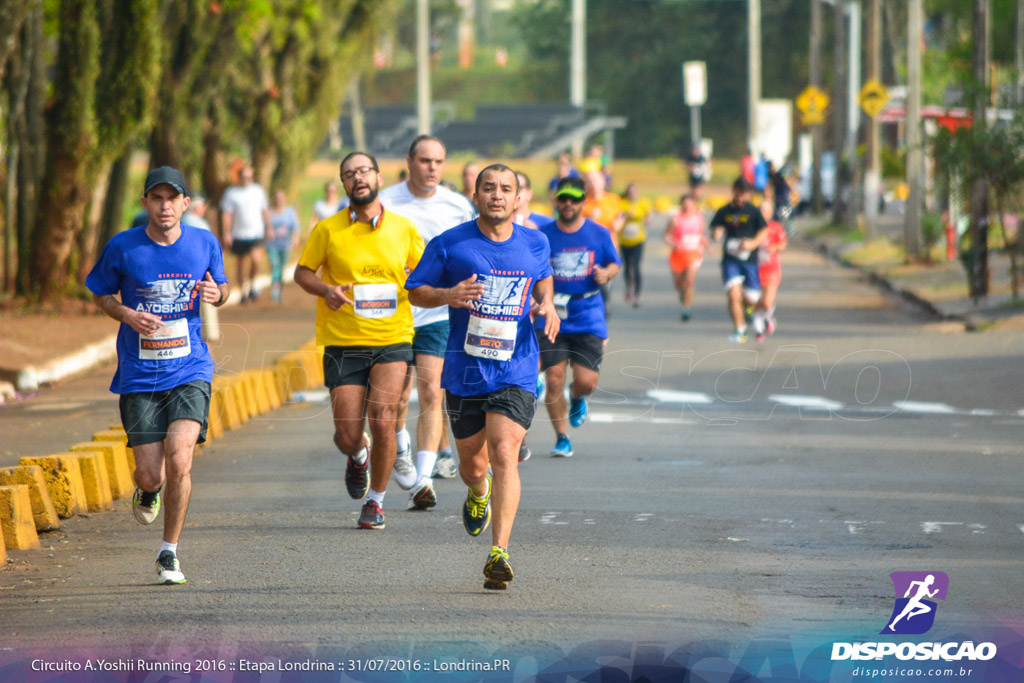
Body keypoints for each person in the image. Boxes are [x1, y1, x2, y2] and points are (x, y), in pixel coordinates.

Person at [406, 163, 559, 590]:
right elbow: (415, 287)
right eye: (488, 188)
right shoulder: (451, 244)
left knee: (505, 451)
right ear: (476, 196)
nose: (497, 195)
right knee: (473, 466)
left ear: (518, 199)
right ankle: (478, 493)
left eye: (505, 189)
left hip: (517, 366)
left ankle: (500, 551)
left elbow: (543, 278)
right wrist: (448, 295)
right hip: (466, 370)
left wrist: (547, 304)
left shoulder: (535, 242)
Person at [86, 166, 230, 585]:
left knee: (180, 459)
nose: (165, 206)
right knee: (152, 473)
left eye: (173, 198)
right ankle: (147, 489)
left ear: (186, 204)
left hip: (190, 368)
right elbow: (100, 293)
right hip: (139, 373)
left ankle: (169, 552)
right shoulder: (123, 247)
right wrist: (126, 314)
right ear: (146, 202)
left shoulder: (204, 242)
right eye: (157, 198)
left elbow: (223, 288)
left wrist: (217, 294)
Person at [294, 152, 425, 530]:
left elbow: (427, 272)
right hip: (343, 340)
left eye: (364, 171)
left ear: (379, 177)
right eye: (349, 174)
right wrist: (326, 290)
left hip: (392, 336)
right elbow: (303, 273)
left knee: (383, 419)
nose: (358, 178)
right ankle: (357, 455)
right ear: (343, 184)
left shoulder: (403, 228)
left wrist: (424, 283)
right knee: (349, 433)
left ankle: (376, 501)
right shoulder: (328, 229)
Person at [379, 135, 476, 509]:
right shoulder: (387, 201)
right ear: (409, 162)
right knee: (399, 397)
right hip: (395, 313)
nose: (431, 168)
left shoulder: (457, 206)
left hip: (438, 311)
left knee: (433, 390)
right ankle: (401, 445)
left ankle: (423, 478)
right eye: (424, 161)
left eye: (438, 161)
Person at [537, 177, 620, 458]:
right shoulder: (544, 235)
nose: (568, 204)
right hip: (554, 315)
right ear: (556, 201)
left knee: (587, 381)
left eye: (574, 199)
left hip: (588, 313)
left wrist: (605, 274)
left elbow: (614, 263)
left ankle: (578, 396)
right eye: (563, 199)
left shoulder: (598, 233)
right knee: (553, 379)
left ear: (584, 202)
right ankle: (562, 437)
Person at [710, 178, 768, 343]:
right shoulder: (724, 211)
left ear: (748, 194)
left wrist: (752, 244)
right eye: (737, 193)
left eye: (743, 194)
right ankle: (740, 329)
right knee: (733, 295)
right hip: (730, 260)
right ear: (733, 190)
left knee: (752, 298)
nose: (740, 197)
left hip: (749, 260)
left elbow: (764, 231)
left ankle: (750, 309)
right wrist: (716, 234)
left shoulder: (753, 211)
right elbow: (715, 230)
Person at [220, 165, 271, 302]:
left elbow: (265, 210)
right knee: (241, 263)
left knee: (256, 259)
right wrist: (226, 233)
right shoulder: (231, 193)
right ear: (239, 177)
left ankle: (253, 284)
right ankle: (243, 290)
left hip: (256, 232)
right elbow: (227, 214)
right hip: (239, 234)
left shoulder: (258, 191)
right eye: (244, 177)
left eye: (249, 177)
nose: (246, 180)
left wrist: (269, 227)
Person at [182, 192, 222, 341]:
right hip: (200, 280)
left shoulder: (178, 223)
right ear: (195, 207)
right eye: (203, 205)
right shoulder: (200, 225)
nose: (205, 208)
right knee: (206, 334)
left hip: (178, 282)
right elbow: (211, 255)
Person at [664, 194, 708, 322]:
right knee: (679, 284)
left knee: (689, 281)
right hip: (677, 255)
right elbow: (666, 236)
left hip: (694, 254)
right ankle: (683, 294)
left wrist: (708, 246)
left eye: (690, 204)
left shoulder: (699, 219)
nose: (688, 207)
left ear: (694, 205)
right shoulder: (675, 220)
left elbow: (701, 235)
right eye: (685, 204)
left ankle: (686, 309)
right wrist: (673, 244)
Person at [752, 199, 787, 342]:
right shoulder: (752, 228)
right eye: (761, 210)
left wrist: (775, 248)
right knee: (753, 299)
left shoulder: (776, 227)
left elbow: (783, 244)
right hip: (753, 269)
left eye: (766, 210)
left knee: (767, 302)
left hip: (771, 269)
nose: (763, 213)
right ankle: (758, 327)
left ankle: (767, 317)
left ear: (771, 212)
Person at [618, 183, 651, 307]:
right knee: (627, 266)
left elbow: (648, 218)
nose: (632, 194)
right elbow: (618, 218)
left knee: (636, 266)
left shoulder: (642, 203)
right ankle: (628, 288)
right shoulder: (622, 204)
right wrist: (626, 217)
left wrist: (646, 219)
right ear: (627, 193)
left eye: (634, 192)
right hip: (625, 241)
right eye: (630, 192)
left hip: (638, 240)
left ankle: (637, 294)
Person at [267, 189, 300, 303]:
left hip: (285, 245)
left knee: (281, 268)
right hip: (272, 244)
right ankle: (274, 291)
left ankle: (280, 290)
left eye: (281, 198)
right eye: (277, 198)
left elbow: (295, 227)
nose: (279, 200)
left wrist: (295, 239)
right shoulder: (269, 212)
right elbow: (265, 226)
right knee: (274, 265)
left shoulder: (290, 212)